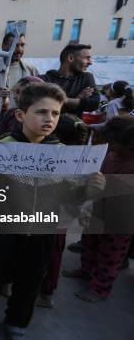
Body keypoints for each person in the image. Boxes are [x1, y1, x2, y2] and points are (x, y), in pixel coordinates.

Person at [0, 83, 104, 339]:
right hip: (1, 230)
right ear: (21, 115)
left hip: (42, 231)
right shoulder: (1, 150)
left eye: (55, 113)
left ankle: (16, 323)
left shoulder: (64, 156)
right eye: (41, 112)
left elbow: (69, 197)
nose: (49, 119)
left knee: (30, 282)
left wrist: (89, 190)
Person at [62, 116, 134, 303]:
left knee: (110, 256)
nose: (111, 146)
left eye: (115, 144)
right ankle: (85, 271)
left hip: (120, 220)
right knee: (90, 244)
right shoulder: (110, 156)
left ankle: (100, 289)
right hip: (98, 209)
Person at [35, 114, 90, 309]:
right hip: (63, 220)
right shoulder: (83, 159)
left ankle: (44, 293)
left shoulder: (54, 157)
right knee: (54, 255)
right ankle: (46, 293)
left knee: (43, 255)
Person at [0, 33, 38, 139]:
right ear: (4, 46)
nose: (19, 49)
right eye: (15, 45)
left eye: (22, 45)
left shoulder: (31, 71)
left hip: (21, 132)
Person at [41, 43, 99, 117]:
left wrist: (57, 99)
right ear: (70, 58)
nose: (90, 62)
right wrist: (78, 99)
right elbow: (44, 106)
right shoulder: (45, 79)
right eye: (87, 58)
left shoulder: (86, 78)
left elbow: (94, 103)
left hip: (73, 128)